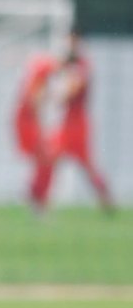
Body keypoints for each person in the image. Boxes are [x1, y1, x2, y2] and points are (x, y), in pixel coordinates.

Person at [30, 30, 113, 212]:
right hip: (67, 123)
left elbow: (69, 91)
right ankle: (39, 200)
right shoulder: (68, 66)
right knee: (49, 158)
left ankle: (105, 197)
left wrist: (48, 93)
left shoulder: (81, 66)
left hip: (78, 125)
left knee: (82, 164)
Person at [13, 53, 58, 208]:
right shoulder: (38, 83)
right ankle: (35, 194)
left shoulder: (34, 82)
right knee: (46, 159)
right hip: (28, 125)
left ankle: (35, 194)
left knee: (45, 160)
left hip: (27, 124)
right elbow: (35, 104)